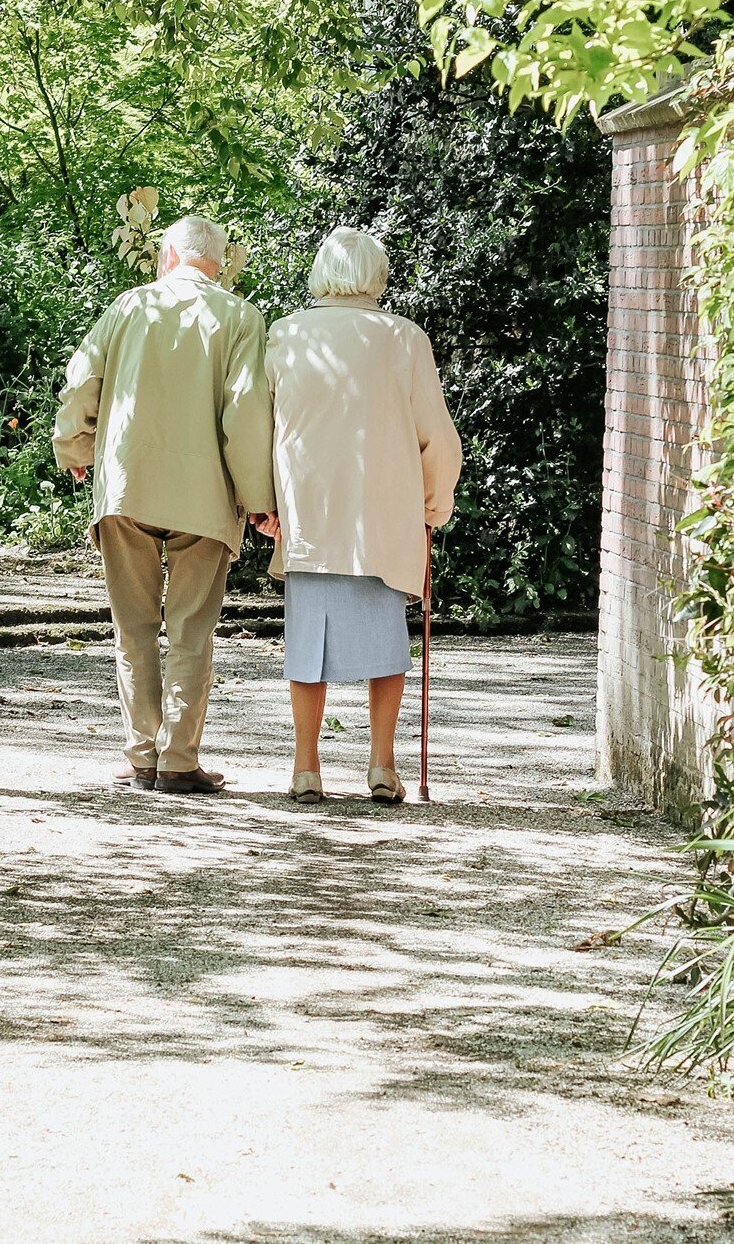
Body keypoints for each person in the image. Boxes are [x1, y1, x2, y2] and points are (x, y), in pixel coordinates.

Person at [53, 215, 275, 794]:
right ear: (218, 263)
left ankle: (141, 754)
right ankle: (178, 760)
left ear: (169, 255)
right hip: (205, 496)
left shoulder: (128, 307)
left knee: (133, 626)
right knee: (191, 629)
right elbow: (246, 414)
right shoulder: (241, 318)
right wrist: (258, 499)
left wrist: (74, 445)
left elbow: (83, 382)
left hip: (128, 485)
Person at [259, 227, 462, 805]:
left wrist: (263, 504)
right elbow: (437, 437)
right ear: (378, 275)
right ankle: (381, 765)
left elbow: (260, 428)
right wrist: (432, 504)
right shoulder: (403, 339)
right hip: (383, 513)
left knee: (306, 644)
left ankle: (305, 768)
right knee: (386, 645)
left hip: (310, 512)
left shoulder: (286, 334)